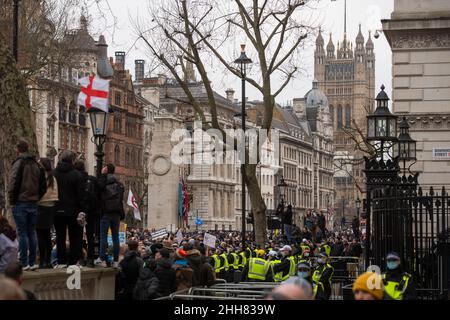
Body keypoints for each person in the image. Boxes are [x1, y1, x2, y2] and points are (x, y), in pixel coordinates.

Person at [8, 139, 47, 270]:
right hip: (33, 202)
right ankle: (32, 262)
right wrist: (37, 197)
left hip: (21, 201)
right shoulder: (37, 165)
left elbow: (13, 182)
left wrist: (12, 200)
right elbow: (43, 186)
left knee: (22, 232)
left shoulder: (19, 163)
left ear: (18, 149)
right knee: (32, 232)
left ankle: (24, 262)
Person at [53, 150, 84, 268]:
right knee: (74, 236)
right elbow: (80, 195)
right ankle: (72, 261)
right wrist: (81, 209)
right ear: (72, 160)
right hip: (73, 210)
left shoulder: (54, 173)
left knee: (60, 236)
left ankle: (61, 261)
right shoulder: (77, 175)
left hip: (57, 209)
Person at [95, 164, 125, 268]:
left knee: (103, 236)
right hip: (116, 212)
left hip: (106, 211)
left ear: (106, 170)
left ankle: (102, 258)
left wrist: (102, 175)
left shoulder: (104, 182)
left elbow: (98, 191)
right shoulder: (120, 184)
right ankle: (116, 261)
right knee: (115, 237)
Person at [74, 160, 100, 268]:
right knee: (90, 235)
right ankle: (90, 259)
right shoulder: (92, 179)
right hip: (92, 211)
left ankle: (80, 258)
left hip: (79, 210)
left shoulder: (75, 179)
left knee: (78, 235)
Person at [36, 158, 58, 269]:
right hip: (51, 208)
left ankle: (42, 260)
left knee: (40, 235)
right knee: (47, 235)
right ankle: (48, 260)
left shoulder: (40, 177)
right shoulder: (52, 178)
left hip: (40, 206)